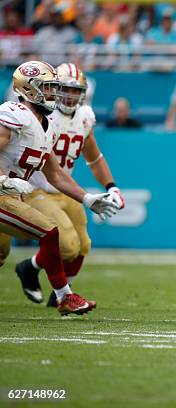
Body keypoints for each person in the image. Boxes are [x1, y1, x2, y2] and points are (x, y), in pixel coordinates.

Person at [1, 61, 119, 314]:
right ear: (29, 89)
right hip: (7, 194)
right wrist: (2, 179)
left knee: (1, 253)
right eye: (48, 87)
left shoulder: (48, 125)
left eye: (55, 87)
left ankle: (45, 281)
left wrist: (87, 199)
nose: (55, 93)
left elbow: (55, 174)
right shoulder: (14, 114)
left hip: (14, 197)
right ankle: (64, 296)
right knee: (50, 231)